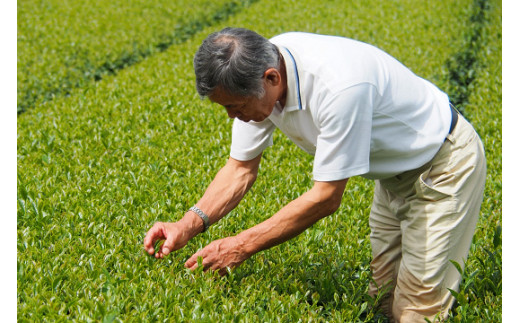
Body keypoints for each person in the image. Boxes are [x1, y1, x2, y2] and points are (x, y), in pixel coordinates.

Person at [143, 27, 486, 322]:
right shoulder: (258, 70)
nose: (232, 117)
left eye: (236, 106)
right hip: (392, 174)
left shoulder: (339, 87)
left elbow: (326, 197)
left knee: (416, 308)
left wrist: (239, 246)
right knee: (380, 298)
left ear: (272, 79)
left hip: (443, 164)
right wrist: (185, 226)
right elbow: (240, 169)